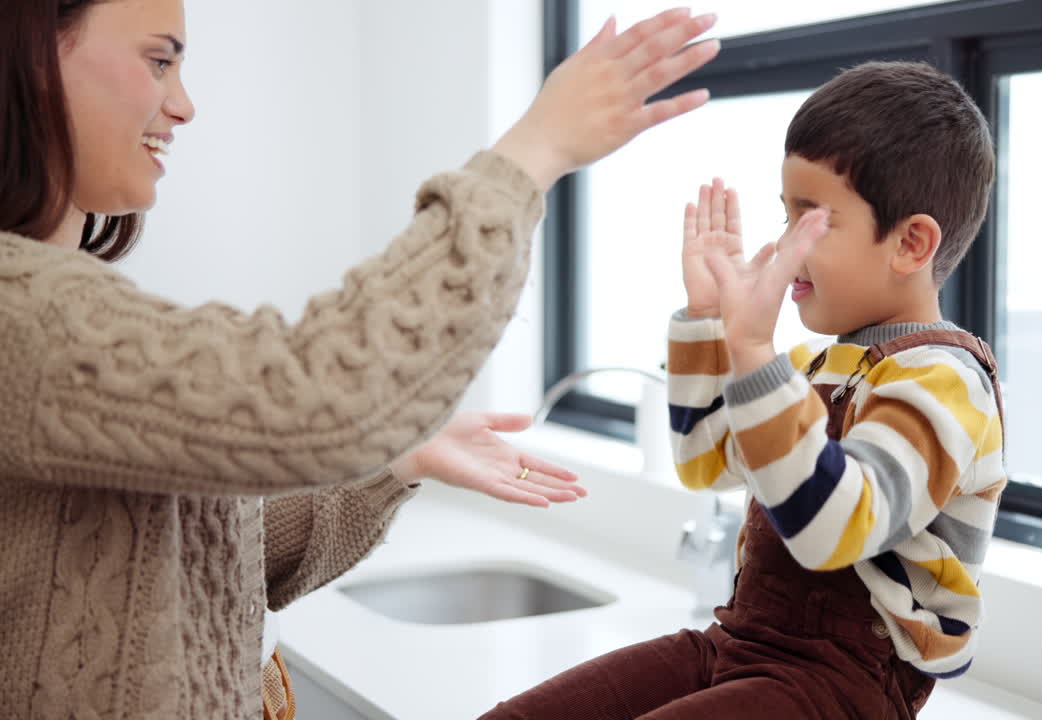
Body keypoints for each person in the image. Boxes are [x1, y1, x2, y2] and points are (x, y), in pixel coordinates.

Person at [0, 0, 721, 717]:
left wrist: (399, 456)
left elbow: (207, 564)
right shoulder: (18, 316)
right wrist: (532, 154)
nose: (183, 105)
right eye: (159, 61)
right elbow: (321, 392)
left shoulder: (53, 314)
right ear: (29, 57)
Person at [482, 60, 1005, 719]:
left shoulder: (945, 383)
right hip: (741, 641)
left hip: (844, 688)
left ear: (910, 243)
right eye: (784, 214)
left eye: (813, 219)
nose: (784, 241)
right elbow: (705, 462)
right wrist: (706, 320)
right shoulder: (821, 366)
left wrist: (754, 353)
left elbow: (834, 530)